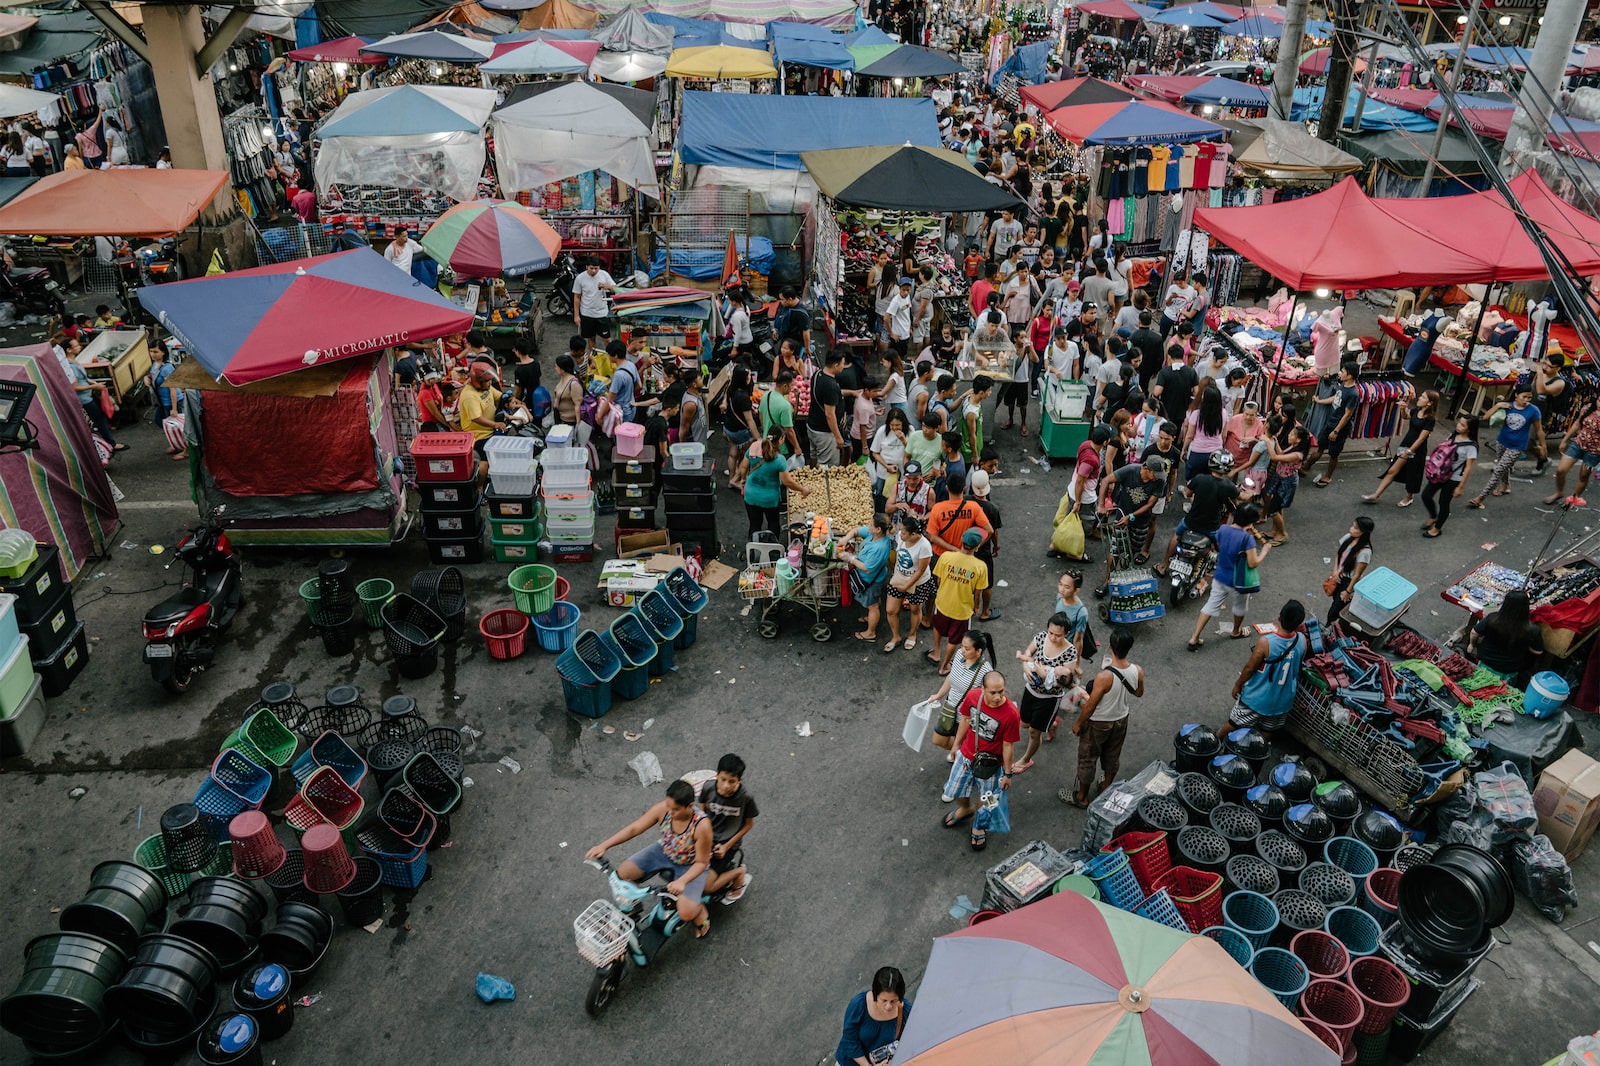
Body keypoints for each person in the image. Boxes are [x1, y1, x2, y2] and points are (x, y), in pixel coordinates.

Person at [584, 779, 714, 939]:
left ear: (689, 806)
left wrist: (682, 881)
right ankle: (634, 907)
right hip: (665, 851)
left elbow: (702, 862)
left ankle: (700, 909)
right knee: (624, 873)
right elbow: (634, 828)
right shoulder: (663, 809)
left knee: (687, 913)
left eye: (676, 810)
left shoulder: (702, 826)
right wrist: (604, 845)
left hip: (691, 865)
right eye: (668, 806)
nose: (670, 813)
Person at [940, 670, 1020, 852]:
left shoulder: (1011, 715)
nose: (998, 697)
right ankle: (966, 808)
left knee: (989, 801)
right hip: (967, 756)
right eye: (993, 692)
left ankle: (979, 825)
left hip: (993, 766)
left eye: (1001, 691)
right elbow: (966, 720)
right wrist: (956, 745)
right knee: (955, 789)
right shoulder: (973, 697)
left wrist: (1008, 774)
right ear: (983, 689)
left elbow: (1008, 746)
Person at [1066, 626, 1142, 808]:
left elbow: (1091, 705)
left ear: (1110, 647)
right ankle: (1106, 787)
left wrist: (1078, 724)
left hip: (1098, 724)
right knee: (1112, 755)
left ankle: (1082, 797)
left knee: (1088, 758)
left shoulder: (1104, 676)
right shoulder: (1137, 670)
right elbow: (1139, 692)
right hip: (1121, 719)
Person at [1188, 501, 1272, 651]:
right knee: (1239, 606)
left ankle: (1194, 637)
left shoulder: (1223, 529)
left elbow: (1221, 544)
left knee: (1211, 604)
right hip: (1238, 581)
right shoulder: (1248, 540)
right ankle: (1236, 631)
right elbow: (1253, 563)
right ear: (1251, 522)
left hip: (1220, 575)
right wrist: (1264, 551)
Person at [1011, 613, 1081, 775]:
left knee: (1034, 732)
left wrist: (1042, 674)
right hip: (1030, 690)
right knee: (1024, 723)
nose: (1053, 637)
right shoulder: (1041, 638)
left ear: (1066, 634)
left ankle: (1026, 759)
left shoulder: (1070, 652)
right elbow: (1027, 656)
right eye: (1051, 633)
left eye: (1058, 635)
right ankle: (1051, 723)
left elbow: (1063, 681)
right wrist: (1028, 669)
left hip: (1048, 698)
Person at [1228, 599, 1308, 733]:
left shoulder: (1266, 642)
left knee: (1233, 724)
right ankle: (1257, 750)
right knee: (1268, 731)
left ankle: (1217, 740)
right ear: (1299, 625)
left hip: (1257, 698)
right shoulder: (1302, 640)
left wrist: (1237, 685)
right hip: (1283, 700)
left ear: (1279, 617)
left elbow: (1250, 668)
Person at [1155, 450, 1238, 578]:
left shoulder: (1199, 478)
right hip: (1211, 527)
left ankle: (1164, 565)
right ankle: (1220, 571)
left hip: (1191, 522)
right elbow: (1241, 497)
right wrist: (1251, 493)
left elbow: (1187, 493)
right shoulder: (1229, 486)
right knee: (1222, 546)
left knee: (1176, 536)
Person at [1094, 455, 1168, 596]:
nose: (1157, 477)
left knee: (1131, 552)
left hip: (1141, 521)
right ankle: (1107, 581)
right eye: (1155, 474)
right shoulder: (1130, 470)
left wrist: (1132, 516)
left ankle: (1123, 576)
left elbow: (1150, 504)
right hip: (1122, 518)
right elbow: (1105, 480)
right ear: (1146, 468)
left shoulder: (1160, 480)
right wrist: (1101, 504)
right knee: (1115, 550)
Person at [930, 629, 998, 771]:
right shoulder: (960, 655)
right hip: (950, 709)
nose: (962, 650)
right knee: (938, 739)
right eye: (962, 646)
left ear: (978, 651)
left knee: (960, 743)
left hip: (967, 718)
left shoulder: (985, 671)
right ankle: (963, 753)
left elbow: (987, 699)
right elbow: (951, 677)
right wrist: (938, 695)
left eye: (967, 648)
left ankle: (964, 756)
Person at [1468, 385, 1544, 510]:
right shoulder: (1508, 406)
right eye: (1524, 397)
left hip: (1517, 446)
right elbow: (1486, 417)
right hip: (1502, 441)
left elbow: (1539, 429)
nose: (1526, 400)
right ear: (1516, 395)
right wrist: (1498, 405)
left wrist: (1543, 446)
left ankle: (1480, 497)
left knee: (1498, 470)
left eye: (1529, 398)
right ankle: (1506, 486)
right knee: (1504, 467)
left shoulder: (1534, 411)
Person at [695, 753, 757, 903]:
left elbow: (748, 824)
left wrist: (726, 846)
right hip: (706, 836)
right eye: (723, 779)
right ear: (717, 775)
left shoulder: (746, 798)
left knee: (707, 887)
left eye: (732, 781)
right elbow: (702, 811)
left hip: (727, 844)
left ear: (739, 780)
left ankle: (739, 872)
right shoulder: (708, 788)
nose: (726, 786)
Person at [930, 529, 990, 675]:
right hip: (962, 609)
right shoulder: (980, 566)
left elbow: (939, 579)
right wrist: (976, 606)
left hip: (943, 602)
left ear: (961, 542)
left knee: (938, 626)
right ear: (977, 546)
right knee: (954, 639)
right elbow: (978, 591)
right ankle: (944, 666)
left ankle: (936, 652)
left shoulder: (946, 557)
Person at [1364, 390, 1438, 507]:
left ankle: (1409, 497)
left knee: (1412, 474)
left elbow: (1421, 439)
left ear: (1429, 403)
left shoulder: (1430, 419)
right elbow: (1406, 416)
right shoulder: (1417, 411)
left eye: (1423, 397)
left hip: (1416, 450)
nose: (1419, 398)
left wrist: (1409, 451)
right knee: (1393, 470)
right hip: (1406, 444)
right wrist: (1403, 408)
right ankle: (1376, 494)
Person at [833, 967, 911, 1066]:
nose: (888, 1006)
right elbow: (849, 1040)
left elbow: (908, 1043)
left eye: (893, 1001)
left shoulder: (907, 1012)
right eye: (884, 1000)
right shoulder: (859, 1005)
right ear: (875, 995)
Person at [1467, 589, 1544, 684]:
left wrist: (1471, 645)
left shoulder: (1492, 618)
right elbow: (1538, 651)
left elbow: (1474, 632)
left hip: (1486, 663)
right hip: (1509, 670)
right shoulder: (1532, 630)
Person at [884, 516, 936, 653]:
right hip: (899, 576)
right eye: (900, 531)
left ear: (913, 534)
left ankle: (912, 634)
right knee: (890, 610)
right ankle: (896, 637)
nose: (900, 535)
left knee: (915, 609)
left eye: (903, 532)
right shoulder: (901, 538)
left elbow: (920, 570)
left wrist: (906, 586)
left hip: (918, 582)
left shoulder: (924, 546)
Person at [1304, 361, 1360, 487]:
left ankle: (1328, 476)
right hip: (1330, 423)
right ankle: (1306, 466)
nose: (1341, 373)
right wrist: (1320, 401)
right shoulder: (1343, 386)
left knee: (1333, 454)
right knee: (1320, 447)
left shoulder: (1353, 394)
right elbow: (1336, 398)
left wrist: (1336, 431)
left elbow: (1347, 415)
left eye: (1343, 371)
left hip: (1339, 428)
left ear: (1350, 376)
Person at [743, 430, 809, 538]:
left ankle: (753, 550)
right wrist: (802, 489)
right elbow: (786, 481)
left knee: (754, 525)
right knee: (773, 524)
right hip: (769, 499)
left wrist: (743, 479)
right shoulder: (779, 459)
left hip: (750, 495)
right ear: (781, 439)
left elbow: (743, 467)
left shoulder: (754, 447)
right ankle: (772, 550)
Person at [841, 514, 893, 642]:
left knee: (873, 606)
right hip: (876, 577)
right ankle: (870, 617)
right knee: (874, 600)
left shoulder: (879, 548)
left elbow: (867, 568)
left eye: (871, 524)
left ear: (878, 529)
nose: (868, 526)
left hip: (871, 580)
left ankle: (870, 633)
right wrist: (845, 539)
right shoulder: (874, 535)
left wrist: (851, 559)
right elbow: (856, 530)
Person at [1544, 393, 1600, 505]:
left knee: (1583, 476)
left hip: (1595, 452)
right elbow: (1577, 424)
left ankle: (1575, 497)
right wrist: (1565, 440)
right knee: (1561, 470)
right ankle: (1559, 492)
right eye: (1599, 401)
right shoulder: (1588, 408)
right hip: (1578, 444)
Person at [458, 361, 506, 486]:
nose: (490, 383)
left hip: (491, 430)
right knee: (485, 463)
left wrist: (512, 401)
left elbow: (499, 396)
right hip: (479, 436)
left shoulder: (487, 388)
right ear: (477, 382)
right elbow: (476, 418)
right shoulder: (469, 396)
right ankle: (480, 487)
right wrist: (495, 425)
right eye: (487, 381)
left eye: (490, 380)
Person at [1326, 516, 1375, 625]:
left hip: (1348, 581)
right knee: (1335, 601)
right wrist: (1335, 571)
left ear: (1363, 532)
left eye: (1355, 528)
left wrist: (1348, 591)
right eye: (1353, 526)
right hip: (1339, 576)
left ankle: (1329, 627)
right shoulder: (1348, 537)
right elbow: (1338, 555)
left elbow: (1357, 575)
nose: (1351, 529)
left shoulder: (1365, 552)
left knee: (1334, 611)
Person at [968, 469, 1002, 622]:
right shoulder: (992, 508)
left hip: (966, 549)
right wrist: (995, 547)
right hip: (983, 551)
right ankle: (985, 611)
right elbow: (994, 532)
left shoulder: (965, 501)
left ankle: (969, 609)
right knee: (987, 582)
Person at [807, 349, 848, 468]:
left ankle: (811, 477)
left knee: (814, 455)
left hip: (812, 425)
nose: (843, 366)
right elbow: (830, 414)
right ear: (836, 365)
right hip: (824, 432)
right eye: (842, 364)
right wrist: (838, 436)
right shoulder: (830, 385)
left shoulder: (817, 373)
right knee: (827, 465)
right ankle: (822, 485)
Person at [868, 407, 910, 513]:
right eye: (892, 425)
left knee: (899, 496)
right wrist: (887, 466)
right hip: (884, 471)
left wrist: (903, 440)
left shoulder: (910, 431)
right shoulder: (882, 431)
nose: (895, 428)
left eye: (897, 425)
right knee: (881, 495)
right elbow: (875, 453)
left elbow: (912, 451)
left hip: (902, 473)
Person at [573, 258, 617, 356]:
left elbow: (615, 289)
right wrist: (576, 315)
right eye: (591, 268)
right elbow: (577, 297)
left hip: (602, 313)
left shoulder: (604, 275)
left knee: (607, 339)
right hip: (587, 313)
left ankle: (612, 357)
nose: (593, 271)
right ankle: (594, 358)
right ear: (586, 267)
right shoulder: (580, 278)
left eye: (596, 268)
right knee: (591, 338)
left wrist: (606, 286)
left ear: (599, 268)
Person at [1152, 343, 1197, 430]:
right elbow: (1197, 392)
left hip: (1166, 410)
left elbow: (1157, 392)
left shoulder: (1165, 372)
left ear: (1169, 357)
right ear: (1183, 356)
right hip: (1182, 410)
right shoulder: (1191, 372)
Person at [146, 345, 176, 423]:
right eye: (151, 351)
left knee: (172, 426)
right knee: (158, 420)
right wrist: (146, 377)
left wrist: (174, 409)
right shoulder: (155, 364)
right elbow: (154, 375)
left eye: (155, 352)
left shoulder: (167, 368)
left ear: (163, 352)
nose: (152, 354)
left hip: (169, 402)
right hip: (160, 401)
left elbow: (173, 389)